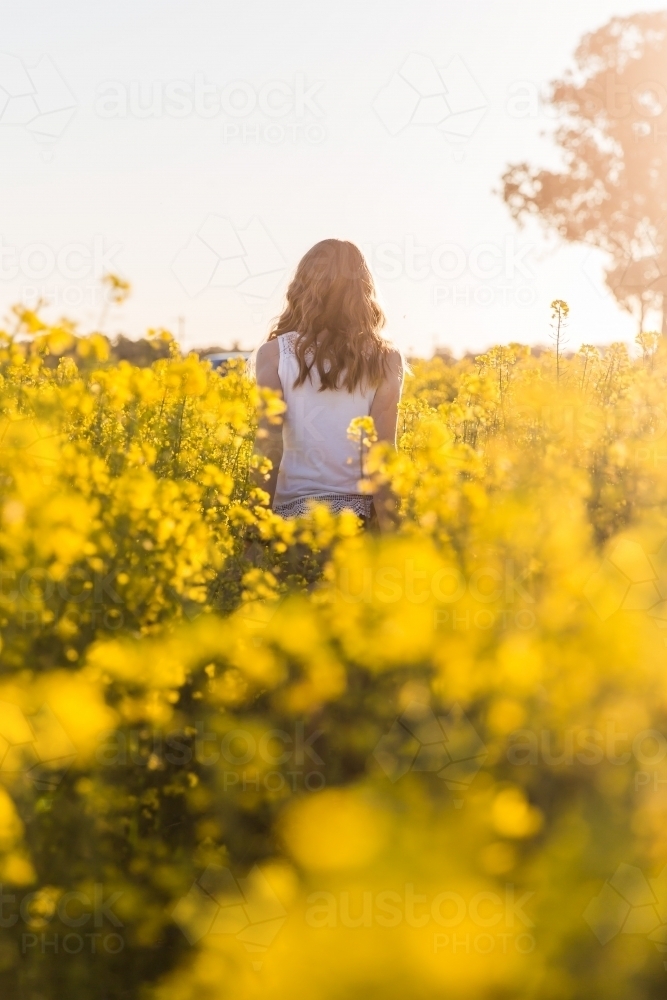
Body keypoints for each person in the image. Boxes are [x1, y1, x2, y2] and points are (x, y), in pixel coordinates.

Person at [254, 239, 404, 530]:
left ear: (302, 286)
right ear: (363, 290)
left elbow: (268, 448)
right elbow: (383, 453)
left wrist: (253, 531)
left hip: (290, 524)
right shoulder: (386, 359)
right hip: (355, 522)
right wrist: (391, 532)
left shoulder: (273, 355)